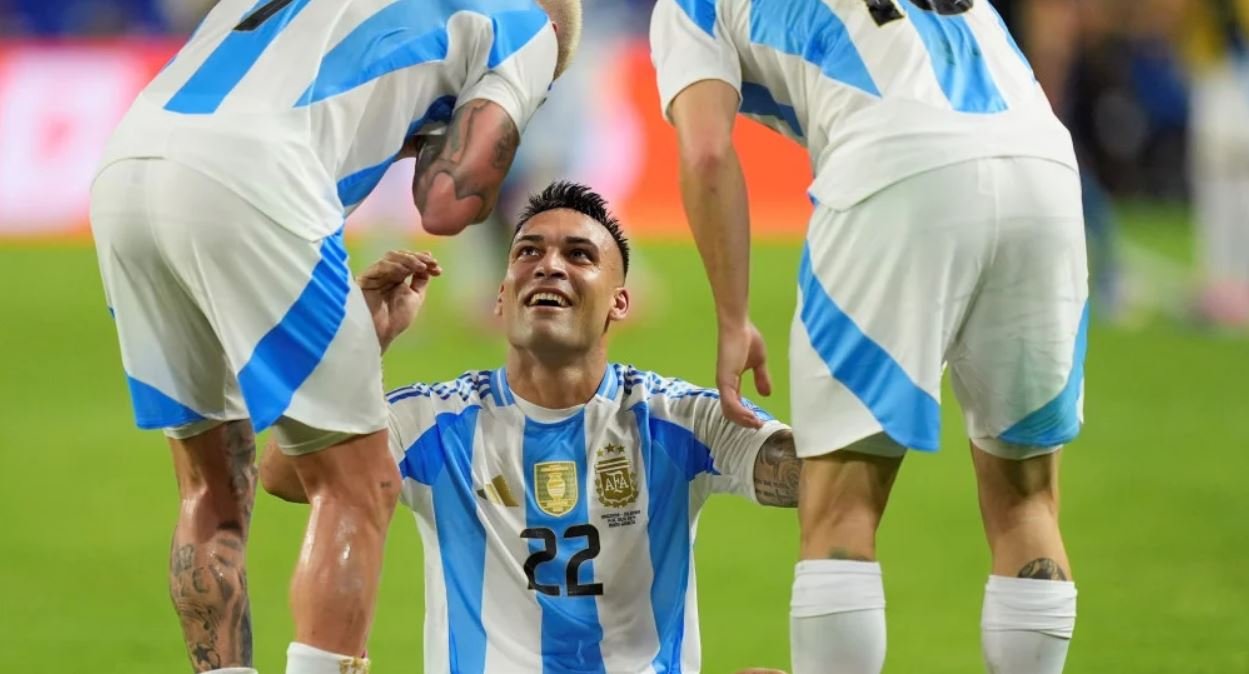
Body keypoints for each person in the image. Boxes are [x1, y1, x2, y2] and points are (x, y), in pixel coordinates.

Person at [88, 1, 582, 672]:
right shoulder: (527, 24)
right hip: (260, 174)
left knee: (210, 485)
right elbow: (447, 202)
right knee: (357, 483)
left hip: (126, 167)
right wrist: (487, 122)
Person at [650, 1, 1085, 672]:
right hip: (1043, 167)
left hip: (893, 161)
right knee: (1026, 500)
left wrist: (733, 318)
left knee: (841, 503)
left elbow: (706, 153)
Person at [260, 181, 799, 674]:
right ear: (501, 297)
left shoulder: (676, 418)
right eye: (528, 252)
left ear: (620, 303)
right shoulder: (436, 422)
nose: (549, 266)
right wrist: (357, 345)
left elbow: (814, 475)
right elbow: (285, 475)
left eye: (579, 255)